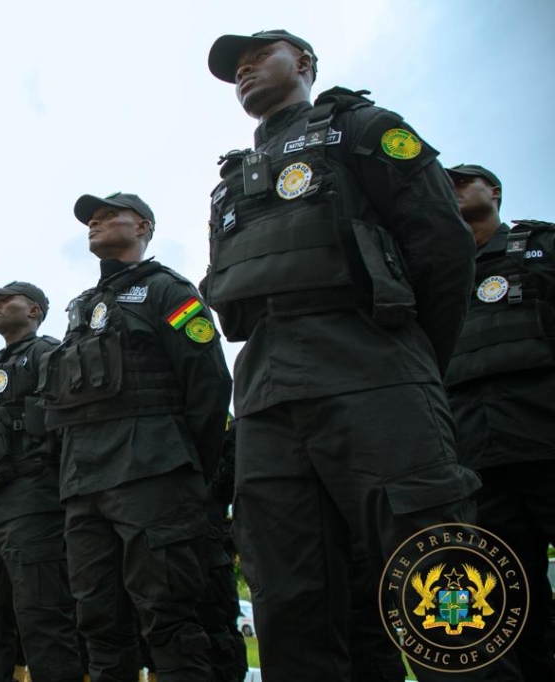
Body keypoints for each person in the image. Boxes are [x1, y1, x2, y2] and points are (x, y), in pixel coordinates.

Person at [203, 30, 490, 681]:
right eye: (236, 67)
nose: (244, 70)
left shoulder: (363, 128)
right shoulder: (231, 183)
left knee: (440, 589)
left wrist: (408, 363)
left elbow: (442, 246)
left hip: (375, 375)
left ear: (304, 62)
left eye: (259, 56)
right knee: (290, 603)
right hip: (268, 401)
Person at [41, 192, 233, 680]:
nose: (95, 223)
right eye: (91, 219)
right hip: (85, 485)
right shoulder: (82, 309)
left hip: (153, 473)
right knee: (98, 621)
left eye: (109, 215)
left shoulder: (167, 290)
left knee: (167, 615)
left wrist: (185, 463)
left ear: (143, 226)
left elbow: (208, 383)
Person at [444, 163, 555, 681]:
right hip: (477, 462)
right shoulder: (437, 277)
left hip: (544, 439)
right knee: (512, 601)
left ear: (495, 191)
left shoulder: (541, 246)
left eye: (463, 180)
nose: (453, 189)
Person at [0, 282, 81, 682]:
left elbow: (70, 426)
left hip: (32, 496)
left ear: (33, 310)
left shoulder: (49, 353)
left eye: (4, 300)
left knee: (41, 611)